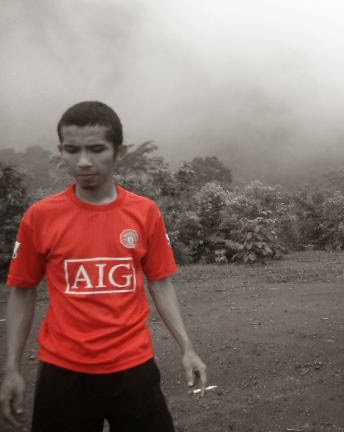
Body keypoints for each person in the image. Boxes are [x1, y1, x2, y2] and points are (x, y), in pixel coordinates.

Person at [0, 101, 207, 431]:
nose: (83, 161)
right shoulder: (40, 217)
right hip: (63, 372)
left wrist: (187, 348)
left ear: (118, 151)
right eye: (72, 150)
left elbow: (160, 281)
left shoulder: (145, 212)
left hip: (134, 367)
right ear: (61, 150)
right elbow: (22, 289)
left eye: (96, 149)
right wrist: (11, 368)